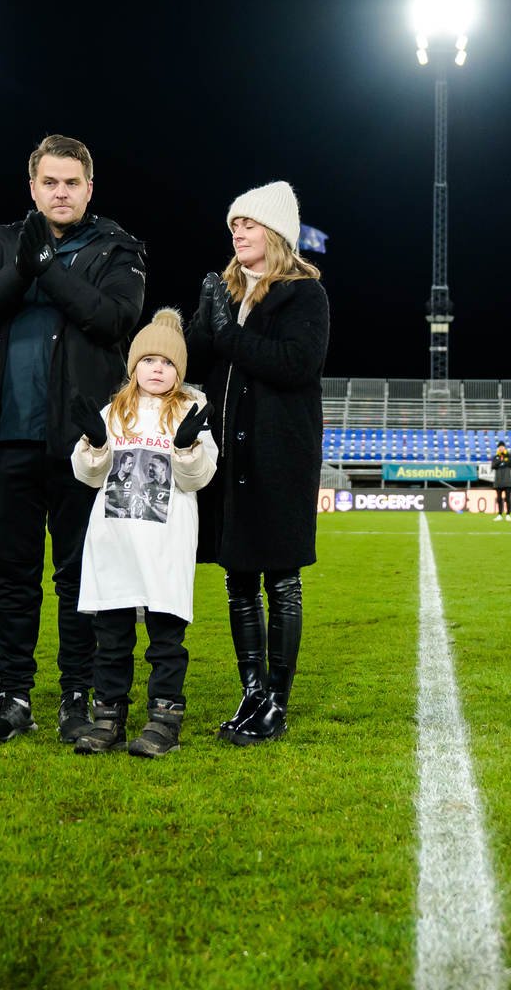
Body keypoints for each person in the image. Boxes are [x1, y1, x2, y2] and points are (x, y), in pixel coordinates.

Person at [0, 135, 148, 745]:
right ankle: (13, 697)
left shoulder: (118, 248)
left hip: (82, 445)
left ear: (90, 188)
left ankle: (75, 699)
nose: (61, 192)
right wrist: (15, 273)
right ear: (32, 187)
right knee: (14, 574)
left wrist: (48, 272)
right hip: (5, 438)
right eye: (50, 182)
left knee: (80, 575)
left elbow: (114, 320)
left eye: (72, 183)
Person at [185, 180, 329, 746]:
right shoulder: (226, 291)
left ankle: (277, 702)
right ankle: (251, 693)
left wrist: (229, 333)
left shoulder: (303, 295)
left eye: (247, 223)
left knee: (282, 580)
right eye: (233, 226)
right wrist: (204, 319)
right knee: (238, 579)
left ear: (275, 233)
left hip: (279, 457)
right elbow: (194, 358)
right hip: (228, 458)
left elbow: (296, 364)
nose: (237, 232)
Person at [70, 309, 218, 757]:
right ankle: (108, 719)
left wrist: (188, 446)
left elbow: (198, 479)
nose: (158, 368)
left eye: (169, 362)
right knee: (111, 639)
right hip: (114, 543)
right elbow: (87, 476)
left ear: (180, 371)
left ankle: (163, 719)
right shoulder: (114, 411)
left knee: (165, 639)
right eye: (149, 360)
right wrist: (96, 444)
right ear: (134, 366)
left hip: (164, 544)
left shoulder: (194, 411)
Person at [490, 440, 511, 521]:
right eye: (499, 447)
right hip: (498, 481)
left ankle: (508, 514)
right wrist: (501, 460)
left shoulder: (509, 455)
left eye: (502, 447)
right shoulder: (495, 457)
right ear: (498, 448)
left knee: (507, 498)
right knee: (499, 499)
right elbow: (493, 466)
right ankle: (500, 515)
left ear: (504, 448)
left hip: (507, 480)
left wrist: (505, 457)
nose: (501, 448)